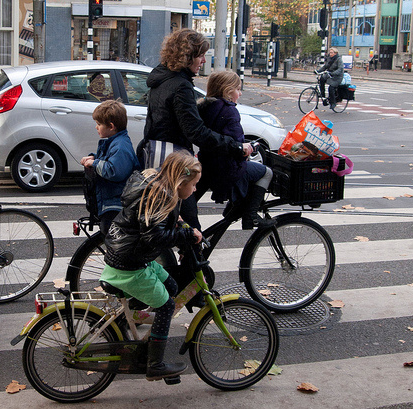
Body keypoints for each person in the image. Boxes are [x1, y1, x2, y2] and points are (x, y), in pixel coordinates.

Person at [101, 151, 203, 381]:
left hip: (130, 256)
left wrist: (181, 224)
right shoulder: (161, 197)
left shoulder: (158, 186)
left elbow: (166, 218)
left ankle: (133, 329)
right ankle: (155, 364)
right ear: (181, 182)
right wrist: (185, 235)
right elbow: (155, 237)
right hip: (131, 265)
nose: (195, 189)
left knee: (172, 287)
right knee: (167, 306)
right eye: (194, 185)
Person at [139, 28, 243, 230]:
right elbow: (196, 132)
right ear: (187, 56)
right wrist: (236, 147)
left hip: (157, 156)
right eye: (201, 55)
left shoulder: (162, 79)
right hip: (175, 165)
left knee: (171, 223)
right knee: (191, 231)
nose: (204, 61)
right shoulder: (181, 86)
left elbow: (170, 118)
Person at [196, 71, 275, 230]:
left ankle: (236, 205)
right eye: (238, 90)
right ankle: (250, 216)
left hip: (208, 165)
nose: (239, 94)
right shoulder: (229, 110)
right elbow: (234, 143)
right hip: (226, 169)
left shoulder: (206, 106)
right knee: (266, 172)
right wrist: (244, 149)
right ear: (227, 90)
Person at [80, 100, 141, 234]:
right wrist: (94, 158)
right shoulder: (116, 142)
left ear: (111, 126)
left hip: (116, 203)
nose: (96, 127)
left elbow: (114, 171)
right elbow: (110, 159)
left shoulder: (121, 146)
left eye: (99, 124)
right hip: (111, 200)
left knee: (112, 238)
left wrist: (94, 163)